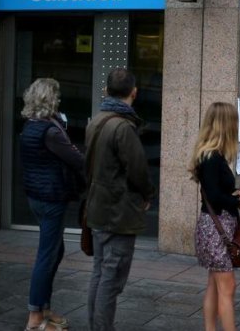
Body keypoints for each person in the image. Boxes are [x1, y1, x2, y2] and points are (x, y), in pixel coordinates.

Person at [85, 68, 155, 331]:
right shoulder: (122, 127)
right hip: (118, 213)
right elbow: (137, 170)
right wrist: (148, 194)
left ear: (106, 91)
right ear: (134, 92)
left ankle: (96, 326)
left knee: (99, 273)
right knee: (111, 278)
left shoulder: (98, 120)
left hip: (99, 209)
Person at [20, 78, 84, 331]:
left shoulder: (30, 127)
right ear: (52, 99)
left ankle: (44, 308)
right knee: (47, 256)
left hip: (36, 196)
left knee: (55, 252)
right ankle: (35, 318)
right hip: (51, 198)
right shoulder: (51, 131)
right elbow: (77, 160)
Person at [188, 102, 240, 331]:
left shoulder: (211, 155)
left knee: (214, 285)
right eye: (233, 123)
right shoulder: (211, 158)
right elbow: (214, 195)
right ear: (224, 125)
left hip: (213, 228)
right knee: (227, 288)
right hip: (215, 230)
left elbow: (217, 190)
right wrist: (238, 202)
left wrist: (236, 194)